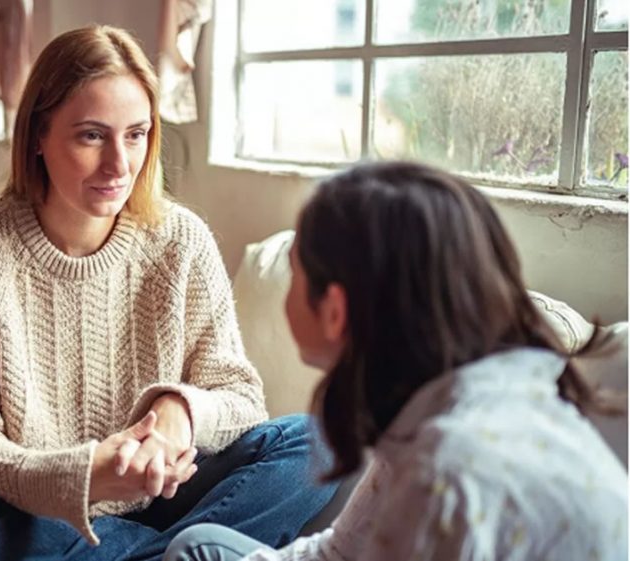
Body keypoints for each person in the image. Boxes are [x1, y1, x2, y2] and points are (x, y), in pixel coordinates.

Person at [0, 25, 337, 561]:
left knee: (320, 439)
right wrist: (87, 478)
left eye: (136, 134)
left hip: (171, 492)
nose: (120, 164)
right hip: (44, 510)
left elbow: (240, 395)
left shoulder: (181, 239)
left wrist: (180, 412)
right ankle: (177, 554)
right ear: (38, 135)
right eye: (91, 135)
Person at [164, 161, 629, 561]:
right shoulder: (443, 400)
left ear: (335, 310)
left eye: (297, 267)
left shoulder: (445, 472)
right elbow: (342, 550)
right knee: (199, 545)